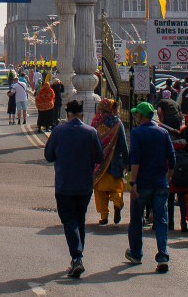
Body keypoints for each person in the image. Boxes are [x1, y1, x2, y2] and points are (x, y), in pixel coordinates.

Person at [44, 99, 104, 279]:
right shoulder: (91, 132)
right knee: (79, 219)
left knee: (70, 221)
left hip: (64, 184)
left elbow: (49, 156)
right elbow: (99, 157)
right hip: (85, 185)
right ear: (82, 114)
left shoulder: (58, 131)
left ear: (67, 113)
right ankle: (78, 257)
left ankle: (77, 257)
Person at [125, 101, 176, 273]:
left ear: (140, 116)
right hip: (160, 183)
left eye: (136, 114)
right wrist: (167, 178)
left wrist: (133, 182)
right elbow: (172, 158)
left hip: (142, 183)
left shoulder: (137, 133)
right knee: (161, 220)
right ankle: (163, 255)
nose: (135, 117)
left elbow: (135, 159)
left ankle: (136, 253)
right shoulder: (163, 132)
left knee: (136, 219)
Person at [91, 99, 128, 225]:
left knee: (100, 190)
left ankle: (104, 216)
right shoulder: (117, 123)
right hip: (114, 161)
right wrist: (127, 161)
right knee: (116, 188)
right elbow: (123, 144)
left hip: (99, 163)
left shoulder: (96, 122)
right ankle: (117, 205)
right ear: (111, 109)